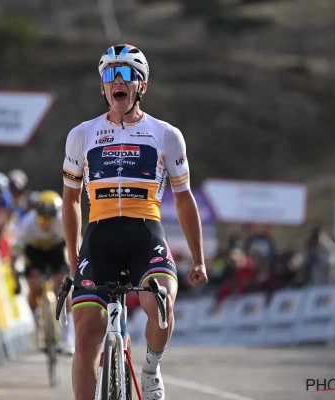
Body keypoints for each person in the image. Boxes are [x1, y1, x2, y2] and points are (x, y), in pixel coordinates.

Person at [62, 44, 208, 400]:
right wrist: (72, 254)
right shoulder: (82, 134)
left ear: (142, 85)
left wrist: (199, 258)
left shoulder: (166, 134)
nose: (118, 81)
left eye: (127, 74)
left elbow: (184, 198)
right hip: (99, 238)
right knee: (85, 335)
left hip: (145, 234)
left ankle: (151, 368)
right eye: (110, 75)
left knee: (162, 303)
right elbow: (71, 200)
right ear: (102, 87)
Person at [11, 190, 74, 354]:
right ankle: (37, 325)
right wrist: (15, 278)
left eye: (49, 219)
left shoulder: (63, 219)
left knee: (63, 290)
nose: (45, 224)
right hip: (35, 253)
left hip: (57, 251)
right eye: (42, 218)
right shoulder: (27, 223)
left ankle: (68, 339)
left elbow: (75, 247)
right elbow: (14, 254)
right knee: (35, 288)